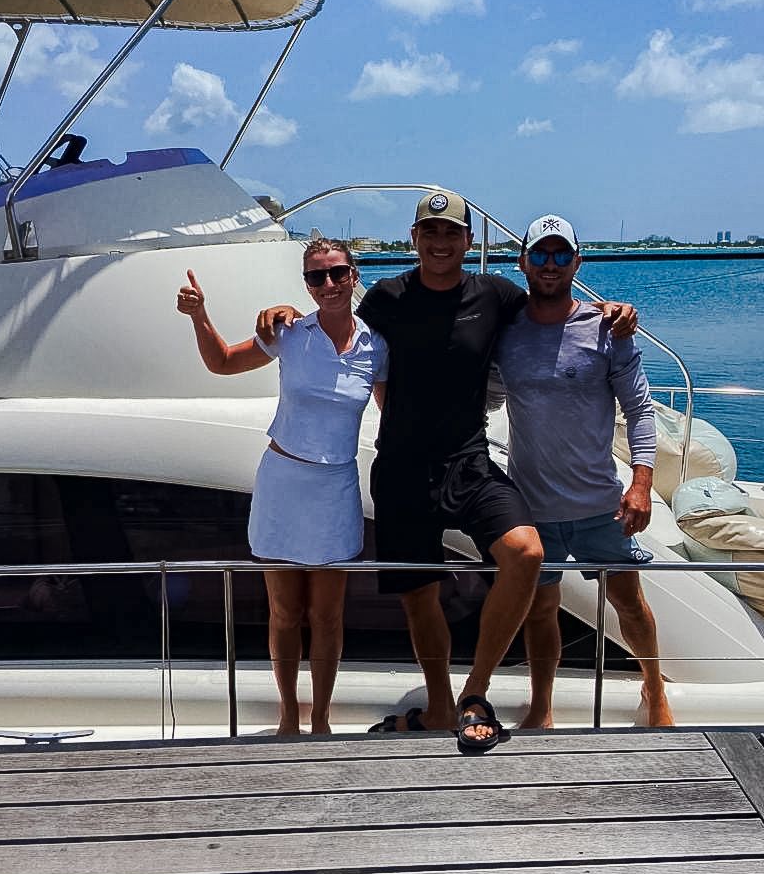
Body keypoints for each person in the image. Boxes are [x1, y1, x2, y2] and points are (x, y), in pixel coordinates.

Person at [258, 191, 637, 751]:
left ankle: (474, 694)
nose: (440, 242)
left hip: (469, 460)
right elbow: (338, 331)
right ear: (414, 238)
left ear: (467, 241)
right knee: (421, 595)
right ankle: (439, 706)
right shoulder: (386, 298)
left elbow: (549, 307)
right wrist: (281, 314)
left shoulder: (496, 295)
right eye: (429, 232)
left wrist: (608, 310)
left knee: (526, 554)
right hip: (403, 468)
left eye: (451, 233)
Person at [176, 240, 388, 735]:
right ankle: (289, 718)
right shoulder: (289, 332)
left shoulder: (377, 345)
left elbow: (394, 414)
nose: (328, 285)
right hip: (283, 482)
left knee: (328, 616)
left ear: (354, 276)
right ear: (306, 285)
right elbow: (223, 361)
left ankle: (322, 721)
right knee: (285, 612)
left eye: (337, 274)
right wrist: (199, 316)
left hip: (335, 486)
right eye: (316, 278)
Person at [490, 213, 674, 728]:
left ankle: (655, 689)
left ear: (577, 261)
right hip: (534, 505)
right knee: (540, 610)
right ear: (523, 260)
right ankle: (542, 707)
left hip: (601, 504)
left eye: (561, 254)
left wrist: (641, 483)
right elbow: (484, 395)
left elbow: (639, 411)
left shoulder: (608, 329)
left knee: (630, 604)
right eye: (541, 254)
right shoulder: (505, 334)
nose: (550, 264)